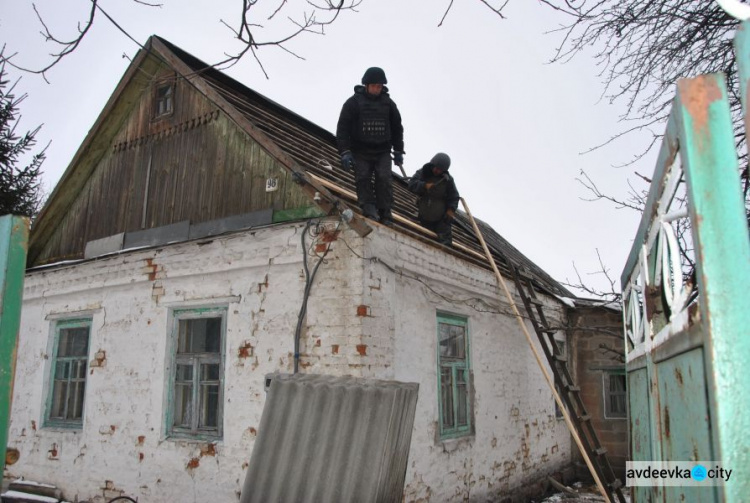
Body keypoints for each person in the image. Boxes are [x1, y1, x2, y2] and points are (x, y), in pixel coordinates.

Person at [336, 67, 405, 226]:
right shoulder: (353, 103)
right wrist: (345, 151)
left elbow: (397, 128)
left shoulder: (389, 104)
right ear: (366, 85)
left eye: (379, 86)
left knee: (384, 179)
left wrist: (399, 149)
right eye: (374, 86)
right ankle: (368, 207)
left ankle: (385, 211)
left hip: (382, 150)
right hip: (360, 150)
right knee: (363, 178)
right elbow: (343, 128)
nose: (376, 89)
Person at [408, 153, 460, 246]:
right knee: (423, 238)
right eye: (436, 167)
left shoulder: (448, 180)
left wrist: (451, 210)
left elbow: (454, 196)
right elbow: (411, 184)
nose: (437, 171)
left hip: (440, 216)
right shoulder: (423, 172)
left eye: (440, 170)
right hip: (424, 212)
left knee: (445, 240)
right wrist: (424, 186)